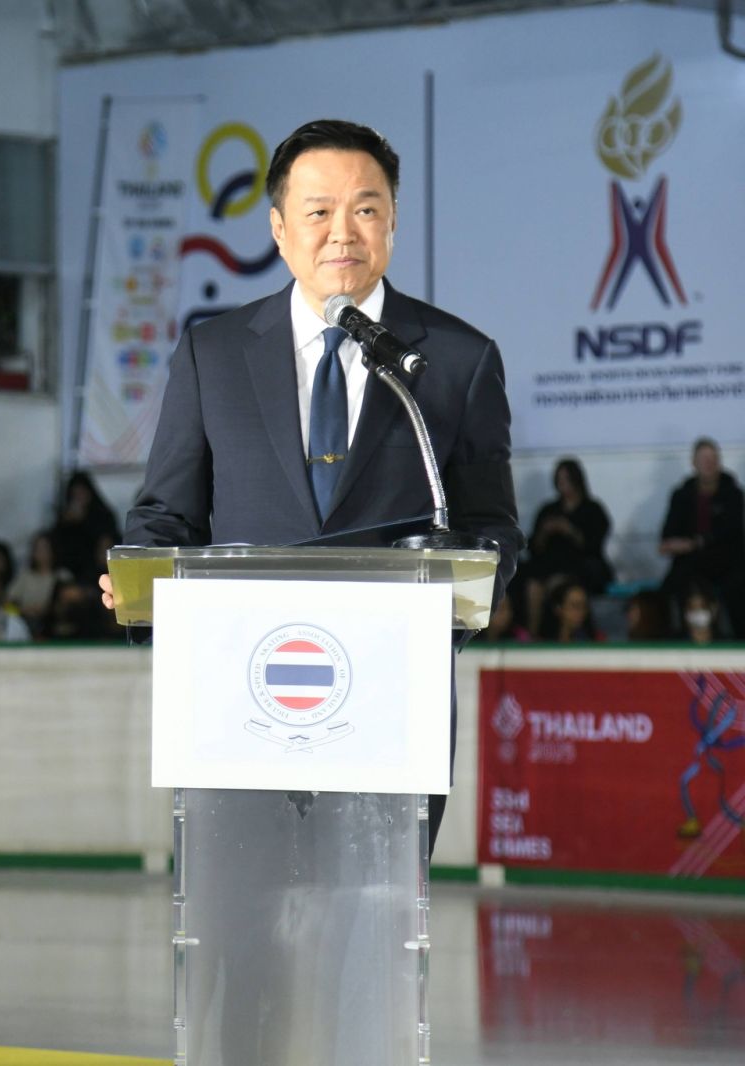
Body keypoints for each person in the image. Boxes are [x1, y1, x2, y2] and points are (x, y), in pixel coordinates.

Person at [100, 119, 524, 848]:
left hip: (393, 709)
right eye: (318, 210)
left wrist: (456, 594)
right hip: (239, 708)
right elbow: (168, 512)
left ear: (392, 222)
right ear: (279, 228)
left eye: (365, 209)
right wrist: (140, 579)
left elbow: (494, 529)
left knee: (379, 916)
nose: (342, 232)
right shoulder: (213, 354)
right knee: (240, 913)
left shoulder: (457, 360)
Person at [658, 438, 744, 634]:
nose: (709, 464)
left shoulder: (733, 494)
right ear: (694, 463)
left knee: (738, 587)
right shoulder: (682, 495)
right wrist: (671, 544)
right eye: (704, 459)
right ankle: (679, 637)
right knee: (671, 587)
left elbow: (731, 531)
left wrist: (696, 542)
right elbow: (669, 532)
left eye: (713, 459)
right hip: (691, 562)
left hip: (728, 561)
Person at [518, 458, 613, 633]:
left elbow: (594, 544)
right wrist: (545, 532)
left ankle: (565, 634)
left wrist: (569, 530)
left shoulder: (592, 509)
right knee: (532, 584)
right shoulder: (548, 510)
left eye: (567, 479)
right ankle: (532, 634)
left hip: (581, 566)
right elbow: (534, 548)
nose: (563, 484)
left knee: (560, 584)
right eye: (559, 479)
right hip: (549, 565)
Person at [52, 471, 119, 582]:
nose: (79, 498)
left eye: (82, 493)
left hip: (99, 572)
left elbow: (107, 542)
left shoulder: (103, 515)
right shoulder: (65, 519)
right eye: (75, 495)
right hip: (72, 574)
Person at [6, 530, 71, 635]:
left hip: (55, 628)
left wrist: (47, 610)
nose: (41, 553)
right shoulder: (25, 576)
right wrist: (23, 610)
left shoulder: (62, 576)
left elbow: (68, 606)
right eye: (37, 549)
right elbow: (7, 604)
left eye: (45, 549)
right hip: (25, 626)